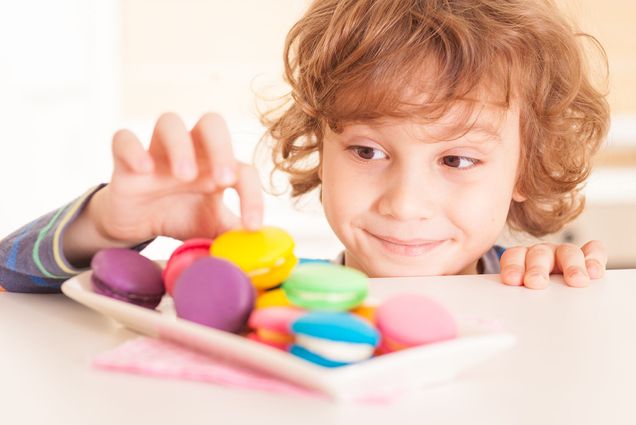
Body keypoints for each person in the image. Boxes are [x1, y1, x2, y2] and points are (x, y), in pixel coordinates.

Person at [0, 0, 609, 294]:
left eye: (456, 159)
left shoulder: (528, 287)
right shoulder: (266, 294)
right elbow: (11, 280)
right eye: (368, 152)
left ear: (525, 166)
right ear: (321, 143)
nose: (404, 204)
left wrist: (553, 291)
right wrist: (105, 226)